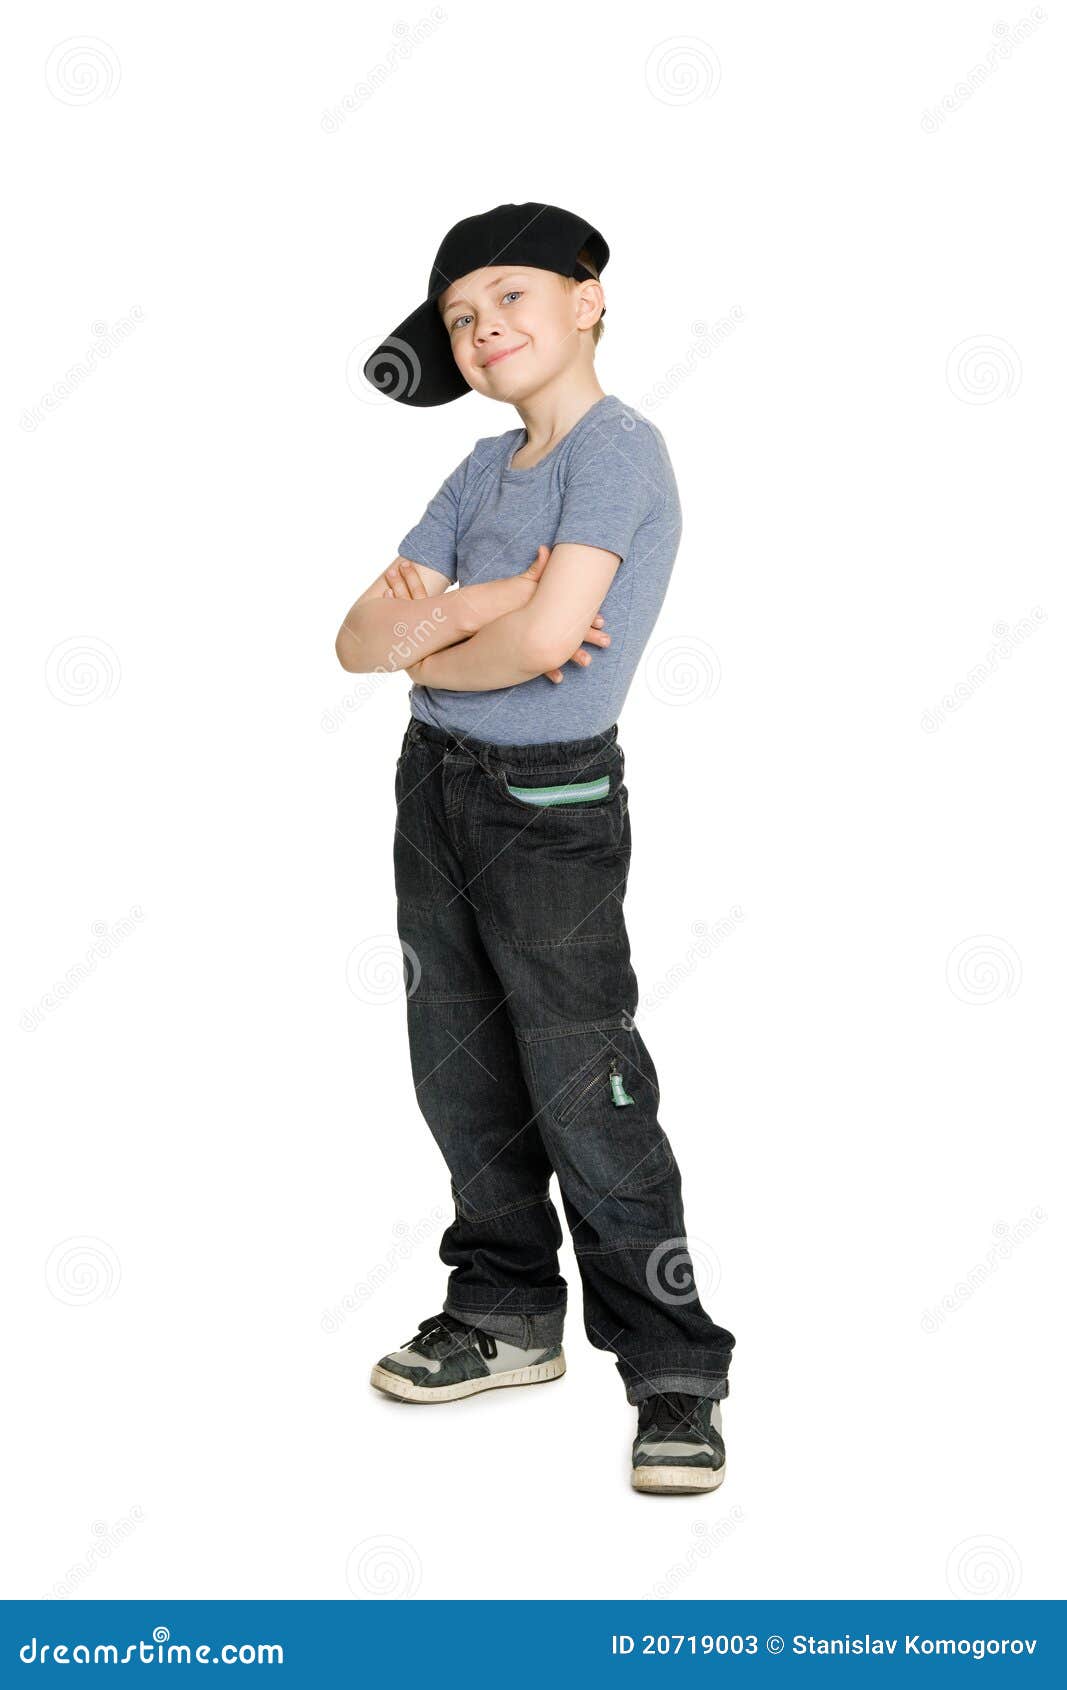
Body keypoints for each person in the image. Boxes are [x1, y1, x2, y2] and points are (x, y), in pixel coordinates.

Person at [335, 202, 736, 1493]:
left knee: (583, 1074)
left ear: (587, 297)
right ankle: (505, 1309)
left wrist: (447, 629)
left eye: (509, 295)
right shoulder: (478, 470)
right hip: (434, 785)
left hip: (548, 805)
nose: (483, 326)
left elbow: (547, 646)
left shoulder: (619, 452)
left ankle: (672, 1363)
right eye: (459, 316)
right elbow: (357, 641)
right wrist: (499, 602)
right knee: (460, 1063)